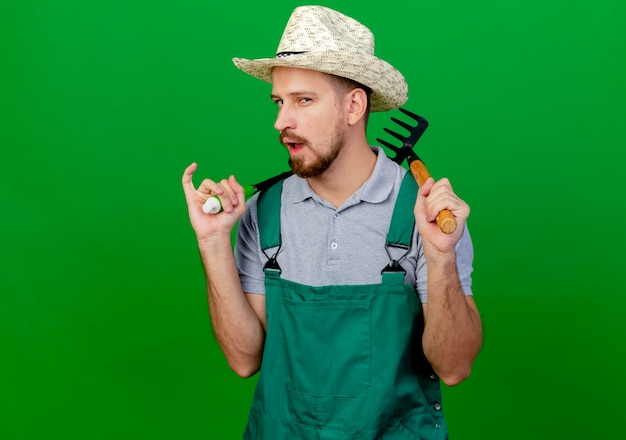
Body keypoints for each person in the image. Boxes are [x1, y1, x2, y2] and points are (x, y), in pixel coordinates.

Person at [182, 5, 482, 439]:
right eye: (279, 102)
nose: (282, 121)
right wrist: (212, 242)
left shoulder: (426, 216)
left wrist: (439, 256)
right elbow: (244, 360)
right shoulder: (264, 211)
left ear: (354, 105)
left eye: (304, 100)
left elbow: (454, 367)